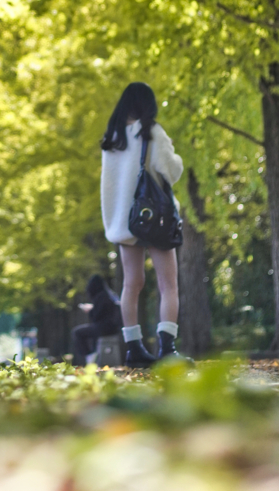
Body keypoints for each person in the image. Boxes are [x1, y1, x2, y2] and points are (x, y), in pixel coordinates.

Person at [100, 81, 186, 367]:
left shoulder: (112, 139)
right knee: (168, 285)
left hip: (124, 222)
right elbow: (170, 171)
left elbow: (110, 186)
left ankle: (133, 349)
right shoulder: (151, 132)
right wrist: (175, 156)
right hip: (155, 219)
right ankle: (167, 349)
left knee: (131, 285)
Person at [71, 274, 122, 365]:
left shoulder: (101, 296)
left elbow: (96, 316)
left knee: (77, 332)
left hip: (104, 328)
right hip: (113, 328)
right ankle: (93, 354)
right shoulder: (110, 295)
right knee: (91, 331)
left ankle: (89, 356)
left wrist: (90, 310)